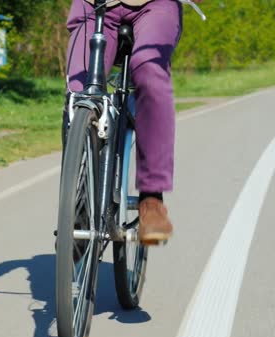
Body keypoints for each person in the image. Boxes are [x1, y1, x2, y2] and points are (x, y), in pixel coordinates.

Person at [65, 0, 203, 244]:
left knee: (150, 71)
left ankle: (152, 200)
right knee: (77, 94)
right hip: (93, 5)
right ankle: (82, 200)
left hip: (154, 5)